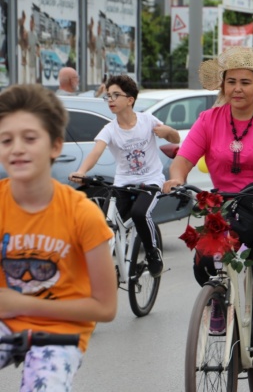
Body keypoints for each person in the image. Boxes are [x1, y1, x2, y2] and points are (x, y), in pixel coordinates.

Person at [163, 46, 253, 392]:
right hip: (227, 208)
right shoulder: (209, 120)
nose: (237, 88)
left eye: (245, 82)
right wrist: (176, 177)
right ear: (222, 86)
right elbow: (184, 157)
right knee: (201, 263)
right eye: (231, 82)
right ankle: (218, 299)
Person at [0, 84, 117, 390]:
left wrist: (21, 304)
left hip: (61, 330)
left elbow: (105, 308)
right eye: (6, 140)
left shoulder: (83, 214)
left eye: (29, 138)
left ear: (55, 146)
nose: (17, 149)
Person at [69, 75, 179, 278]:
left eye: (116, 95)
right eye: (108, 96)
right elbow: (96, 151)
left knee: (139, 213)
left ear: (130, 100)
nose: (110, 99)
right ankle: (115, 262)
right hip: (123, 184)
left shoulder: (147, 121)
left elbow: (176, 138)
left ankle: (153, 254)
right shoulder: (109, 130)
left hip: (150, 182)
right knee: (107, 223)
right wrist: (82, 171)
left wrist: (168, 131)